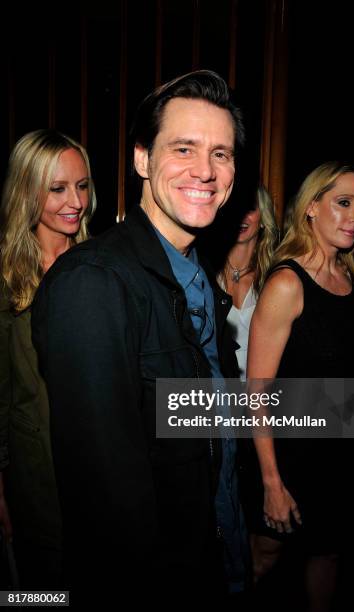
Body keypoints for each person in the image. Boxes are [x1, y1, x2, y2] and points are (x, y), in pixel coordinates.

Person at [31, 70, 249, 603]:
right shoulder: (94, 283)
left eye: (221, 153)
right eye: (184, 148)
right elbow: (107, 500)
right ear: (143, 161)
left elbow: (200, 428)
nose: (205, 170)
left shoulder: (197, 278)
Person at [246, 162, 354, 610]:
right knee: (263, 558)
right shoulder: (287, 284)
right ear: (312, 207)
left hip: (345, 455)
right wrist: (272, 482)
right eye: (344, 203)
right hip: (294, 453)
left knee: (329, 553)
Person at [0, 129, 96, 588]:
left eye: (81, 186)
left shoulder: (99, 268)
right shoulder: (6, 279)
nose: (75, 201)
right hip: (32, 470)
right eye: (58, 188)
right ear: (26, 191)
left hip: (95, 466)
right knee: (38, 590)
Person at [218, 184, 278, 381]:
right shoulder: (205, 272)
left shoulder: (275, 279)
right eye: (235, 209)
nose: (241, 216)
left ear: (263, 219)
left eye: (250, 208)